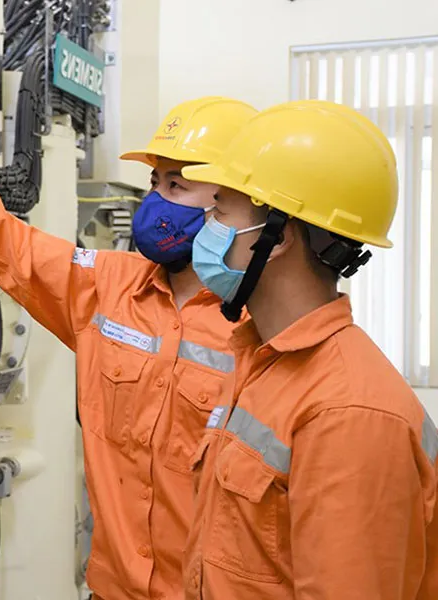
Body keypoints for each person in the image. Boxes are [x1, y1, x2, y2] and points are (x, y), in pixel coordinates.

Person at [0, 80, 256, 600]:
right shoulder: (109, 286)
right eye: (155, 182)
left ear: (232, 202)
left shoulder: (259, 327)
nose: (156, 201)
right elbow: (5, 240)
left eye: (176, 186)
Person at [177, 99, 438, 599]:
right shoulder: (261, 362)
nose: (204, 226)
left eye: (220, 211)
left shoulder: (348, 414)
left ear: (276, 239)